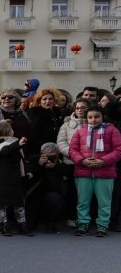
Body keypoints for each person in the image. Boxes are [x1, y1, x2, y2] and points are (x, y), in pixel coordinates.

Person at [68, 105, 121, 237]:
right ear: (86, 118)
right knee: (82, 201)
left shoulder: (112, 130)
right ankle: (83, 224)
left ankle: (102, 225)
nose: (93, 120)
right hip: (83, 171)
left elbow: (118, 150)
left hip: (105, 172)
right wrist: (82, 161)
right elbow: (73, 150)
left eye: (97, 117)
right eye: (90, 117)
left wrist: (103, 161)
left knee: (104, 201)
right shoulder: (80, 131)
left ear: (103, 117)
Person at [0, 120, 32, 236]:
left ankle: (22, 225)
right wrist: (17, 144)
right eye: (11, 129)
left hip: (16, 178)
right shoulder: (0, 144)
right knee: (3, 204)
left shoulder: (14, 143)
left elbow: (21, 160)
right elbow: (5, 152)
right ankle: (4, 225)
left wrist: (27, 171)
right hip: (3, 179)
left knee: (19, 203)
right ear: (7, 132)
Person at [57, 98, 88, 228]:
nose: (80, 110)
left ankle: (85, 217)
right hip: (71, 162)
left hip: (88, 163)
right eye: (78, 108)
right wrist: (75, 156)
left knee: (86, 192)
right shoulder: (66, 124)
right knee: (72, 192)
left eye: (83, 107)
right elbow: (61, 143)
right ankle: (70, 216)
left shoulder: (93, 122)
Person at [27, 143, 67, 233]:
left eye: (51, 157)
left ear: (57, 155)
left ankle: (51, 222)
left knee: (54, 198)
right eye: (45, 156)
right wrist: (39, 166)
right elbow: (28, 182)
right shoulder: (34, 159)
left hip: (50, 195)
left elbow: (58, 188)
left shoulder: (61, 166)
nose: (48, 159)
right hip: (34, 195)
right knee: (29, 226)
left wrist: (53, 169)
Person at [26, 87, 63, 156]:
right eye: (44, 99)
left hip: (56, 149)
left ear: (54, 101)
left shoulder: (57, 114)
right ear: (40, 101)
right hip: (40, 151)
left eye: (50, 99)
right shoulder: (36, 115)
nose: (47, 101)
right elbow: (33, 137)